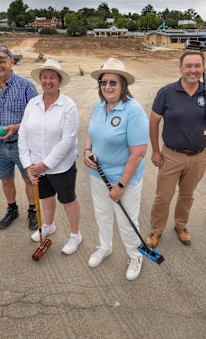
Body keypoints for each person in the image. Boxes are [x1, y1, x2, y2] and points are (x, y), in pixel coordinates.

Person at [146, 51, 206, 248]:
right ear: (180, 68)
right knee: (163, 196)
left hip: (198, 157)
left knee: (187, 195)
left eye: (198, 66)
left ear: (203, 68)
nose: (193, 70)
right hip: (171, 155)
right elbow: (154, 122)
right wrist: (156, 151)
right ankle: (156, 230)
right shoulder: (167, 92)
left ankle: (181, 226)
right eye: (188, 66)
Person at [83, 58, 148, 281]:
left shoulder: (134, 111)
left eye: (113, 82)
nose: (108, 87)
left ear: (123, 85)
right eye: (104, 82)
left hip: (123, 179)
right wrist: (86, 151)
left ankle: (135, 255)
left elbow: (138, 153)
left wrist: (121, 185)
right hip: (97, 175)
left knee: (126, 220)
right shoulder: (99, 106)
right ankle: (105, 247)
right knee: (102, 215)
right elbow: (91, 132)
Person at [18, 59, 83, 255]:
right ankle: (49, 225)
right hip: (36, 165)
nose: (48, 81)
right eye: (44, 77)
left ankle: (75, 235)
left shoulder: (68, 106)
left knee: (68, 199)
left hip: (61, 166)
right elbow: (23, 134)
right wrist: (29, 165)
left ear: (59, 81)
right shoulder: (32, 103)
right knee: (45, 197)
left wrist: (45, 165)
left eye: (52, 77)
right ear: (40, 80)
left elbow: (68, 140)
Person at [0, 44, 39, 230]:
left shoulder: (26, 86)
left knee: (29, 179)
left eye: (2, 62)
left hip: (22, 144)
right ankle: (12, 209)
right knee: (6, 179)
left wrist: (18, 127)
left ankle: (33, 211)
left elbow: (37, 116)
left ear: (11, 62)